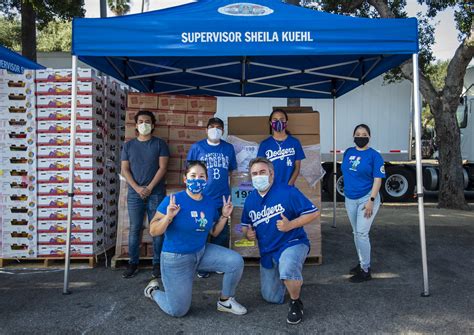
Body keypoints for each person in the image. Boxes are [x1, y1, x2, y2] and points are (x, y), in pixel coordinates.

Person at [143, 161, 247, 317]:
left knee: (235, 261)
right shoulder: (173, 200)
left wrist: (225, 215)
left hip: (201, 252)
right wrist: (169, 217)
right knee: (178, 311)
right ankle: (153, 291)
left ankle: (226, 301)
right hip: (176, 258)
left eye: (201, 176)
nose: (197, 180)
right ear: (185, 179)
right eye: (193, 176)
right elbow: (153, 230)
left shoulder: (209, 203)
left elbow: (214, 231)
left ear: (206, 180)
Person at [241, 157, 319, 325]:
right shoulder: (250, 200)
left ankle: (295, 302)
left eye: (262, 172)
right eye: (254, 173)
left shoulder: (288, 192)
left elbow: (313, 212)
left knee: (288, 265)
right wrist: (248, 234)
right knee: (271, 297)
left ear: (271, 173)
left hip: (293, 242)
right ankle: (291, 279)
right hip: (268, 251)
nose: (258, 176)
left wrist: (290, 224)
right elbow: (245, 225)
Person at [121, 110, 169, 279]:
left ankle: (157, 263)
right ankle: (133, 263)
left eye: (147, 121)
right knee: (135, 229)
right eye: (140, 121)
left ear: (153, 125)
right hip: (135, 194)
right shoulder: (128, 145)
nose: (144, 124)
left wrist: (148, 187)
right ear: (135, 125)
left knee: (156, 229)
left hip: (156, 193)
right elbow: (124, 169)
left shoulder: (160, 144)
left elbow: (163, 168)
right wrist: (137, 188)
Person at [186, 117, 237, 278]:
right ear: (206, 129)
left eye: (219, 127)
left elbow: (231, 171)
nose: (215, 129)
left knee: (222, 232)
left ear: (223, 130)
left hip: (222, 197)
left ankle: (219, 263)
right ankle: (202, 266)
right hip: (202, 197)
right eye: (212, 126)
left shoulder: (228, 148)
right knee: (202, 231)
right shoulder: (197, 147)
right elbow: (190, 171)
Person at [341, 124, 385, 283]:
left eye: (364, 134)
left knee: (361, 233)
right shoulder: (348, 152)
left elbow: (377, 180)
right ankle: (361, 263)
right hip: (350, 198)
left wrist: (371, 201)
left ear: (369, 137)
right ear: (353, 136)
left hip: (367, 198)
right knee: (356, 233)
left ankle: (365, 270)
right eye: (358, 134)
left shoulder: (375, 156)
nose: (361, 136)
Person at [257, 109, 305, 186]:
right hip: (270, 187)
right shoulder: (264, 144)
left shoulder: (295, 142)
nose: (278, 122)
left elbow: (297, 168)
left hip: (288, 187)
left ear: (286, 122)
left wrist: (289, 185)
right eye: (275, 120)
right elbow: (260, 168)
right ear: (270, 123)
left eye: (282, 119)